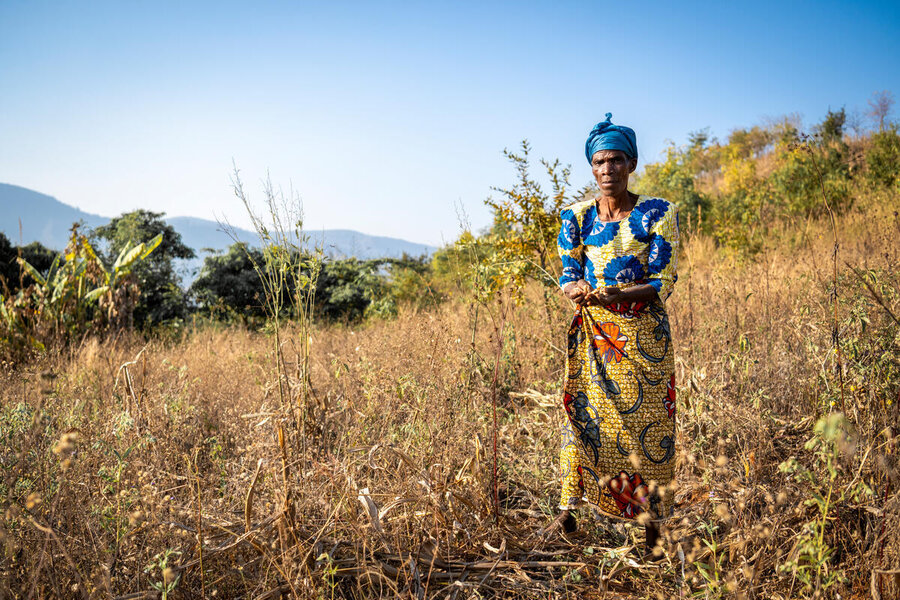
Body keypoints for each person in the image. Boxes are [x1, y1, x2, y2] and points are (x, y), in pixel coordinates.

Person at [551, 113, 678, 554]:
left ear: (633, 163)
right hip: (595, 338)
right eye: (600, 162)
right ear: (591, 167)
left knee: (649, 429)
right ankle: (567, 512)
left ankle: (654, 531)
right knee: (581, 421)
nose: (608, 170)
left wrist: (615, 293)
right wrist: (576, 288)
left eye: (617, 161)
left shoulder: (657, 213)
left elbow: (664, 279)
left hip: (643, 340)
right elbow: (567, 272)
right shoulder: (576, 217)